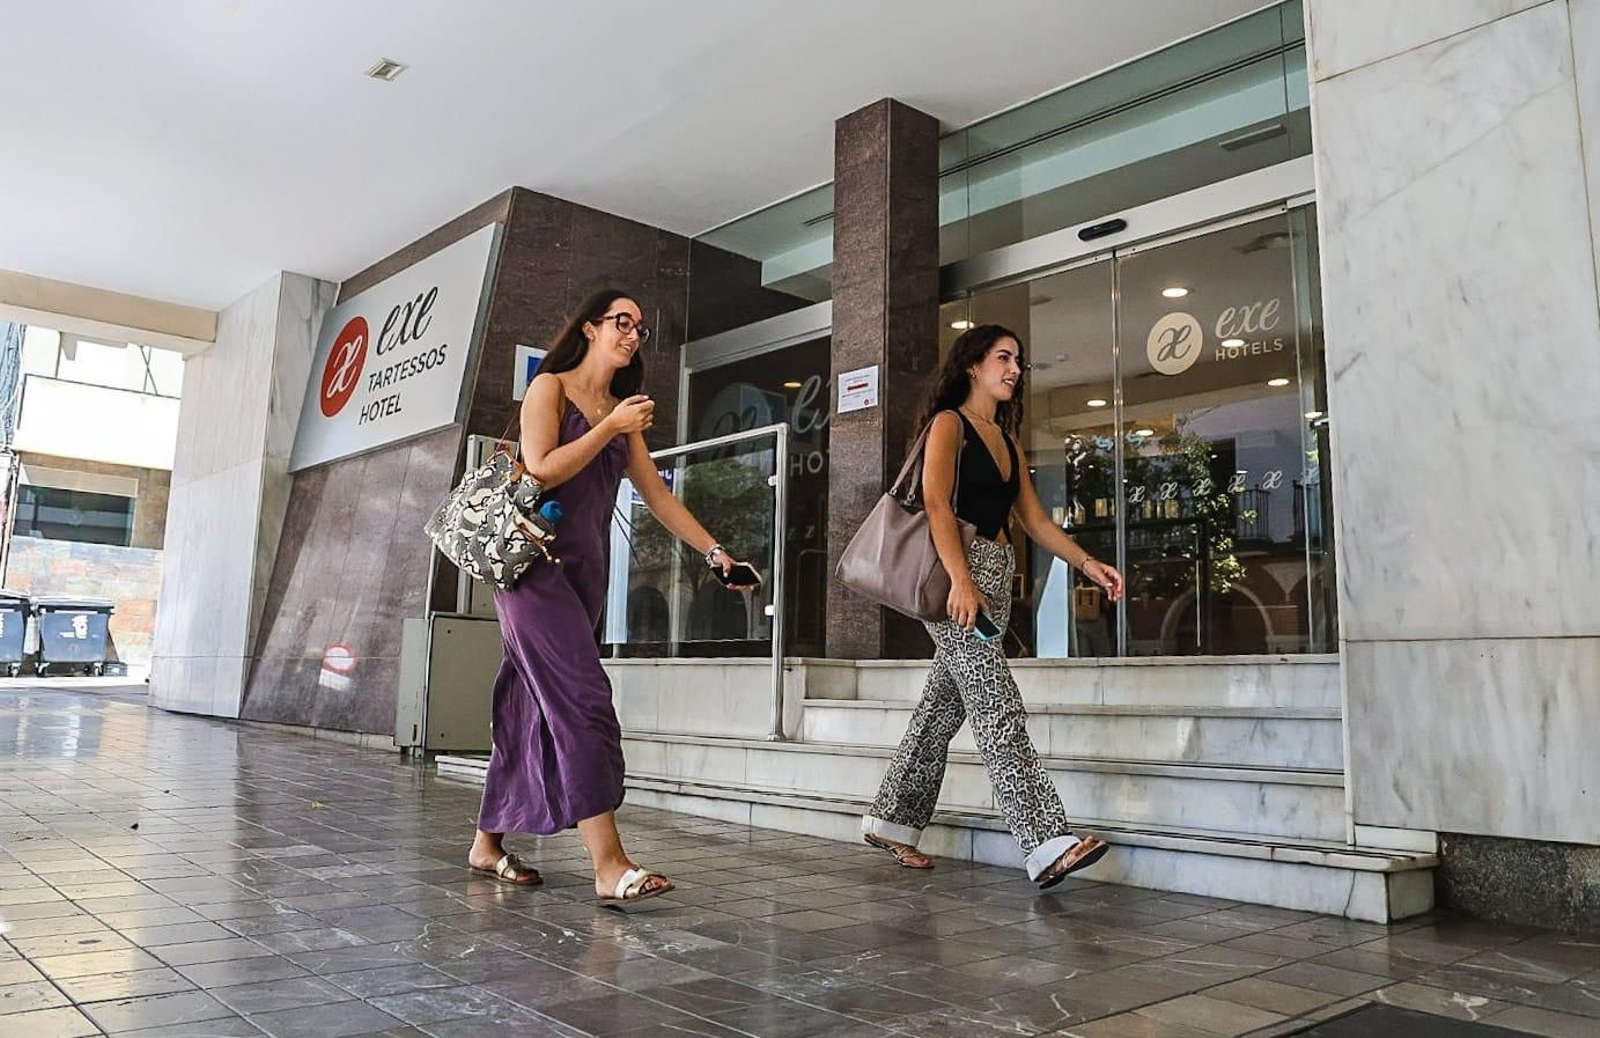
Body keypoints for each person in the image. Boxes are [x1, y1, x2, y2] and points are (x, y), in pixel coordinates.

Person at [469, 288, 754, 905]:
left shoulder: (623, 410)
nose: (632, 334)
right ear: (591, 328)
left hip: (584, 577)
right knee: (581, 696)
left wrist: (714, 553)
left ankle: (486, 843)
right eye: (622, 322)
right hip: (531, 572)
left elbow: (657, 495)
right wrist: (610, 427)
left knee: (527, 706)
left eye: (640, 328)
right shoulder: (550, 388)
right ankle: (608, 863)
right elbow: (541, 466)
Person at [861, 324, 1126, 888]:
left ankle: (892, 820)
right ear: (972, 366)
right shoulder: (948, 425)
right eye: (1003, 358)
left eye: (1019, 361)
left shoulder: (1005, 438)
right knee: (997, 707)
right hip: (956, 583)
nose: (1013, 369)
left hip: (995, 581)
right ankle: (1044, 841)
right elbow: (934, 503)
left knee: (942, 709)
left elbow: (1033, 521)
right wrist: (961, 580)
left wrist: (1086, 564)